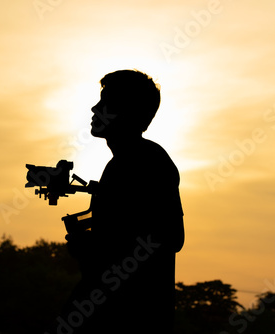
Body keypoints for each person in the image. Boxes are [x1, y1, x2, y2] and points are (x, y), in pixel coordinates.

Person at [60, 69, 185, 333]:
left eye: (105, 102)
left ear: (124, 112)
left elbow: (171, 237)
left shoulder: (145, 161)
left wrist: (93, 247)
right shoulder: (128, 162)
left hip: (130, 317)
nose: (95, 109)